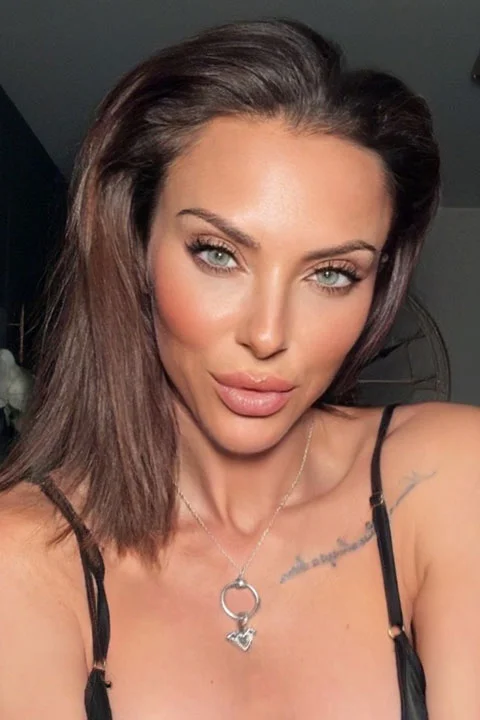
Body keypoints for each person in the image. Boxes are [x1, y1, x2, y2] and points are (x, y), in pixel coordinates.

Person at [0, 17, 479, 720]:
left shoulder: (450, 477)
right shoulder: (22, 553)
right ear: (133, 248)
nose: (267, 335)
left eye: (332, 274)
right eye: (219, 254)